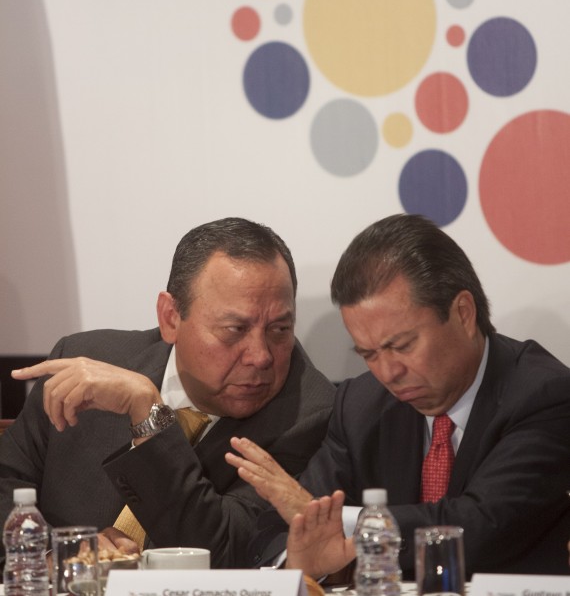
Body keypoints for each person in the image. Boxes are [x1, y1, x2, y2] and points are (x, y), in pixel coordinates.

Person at [226, 214, 570, 579]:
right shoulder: (362, 405)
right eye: (369, 354)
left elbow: (479, 526)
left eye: (402, 345)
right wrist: (300, 564)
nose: (388, 373)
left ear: (463, 314)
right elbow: (285, 528)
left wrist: (343, 522)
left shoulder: (544, 396)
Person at [0, 217, 335, 570]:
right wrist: (58, 556)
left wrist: (149, 415)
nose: (261, 355)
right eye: (235, 329)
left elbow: (221, 551)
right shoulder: (83, 360)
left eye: (280, 329)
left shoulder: (309, 413)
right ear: (171, 317)